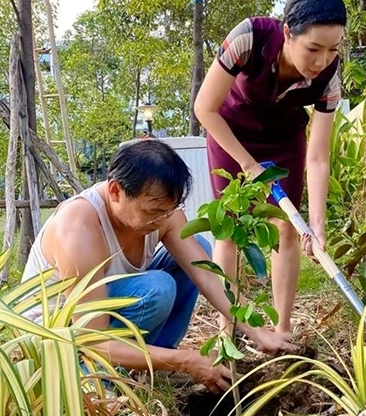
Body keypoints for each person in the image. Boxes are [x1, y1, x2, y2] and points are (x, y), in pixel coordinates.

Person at [22, 140, 293, 392]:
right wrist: (186, 361)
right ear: (116, 191)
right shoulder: (78, 229)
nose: (162, 220)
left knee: (198, 247)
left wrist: (257, 331)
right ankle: (105, 381)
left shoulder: (164, 214)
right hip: (61, 341)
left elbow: (207, 277)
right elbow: (93, 340)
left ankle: (155, 361)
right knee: (157, 288)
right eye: (152, 212)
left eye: (168, 211)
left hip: (104, 317)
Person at [194, 0, 347, 338]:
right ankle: (227, 328)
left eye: (332, 50)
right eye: (313, 48)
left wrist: (318, 224)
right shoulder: (249, 38)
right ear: (288, 32)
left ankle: (282, 329)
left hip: (283, 141)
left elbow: (319, 156)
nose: (321, 60)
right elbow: (204, 108)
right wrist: (247, 164)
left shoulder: (329, 77)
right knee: (229, 230)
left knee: (287, 228)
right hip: (230, 133)